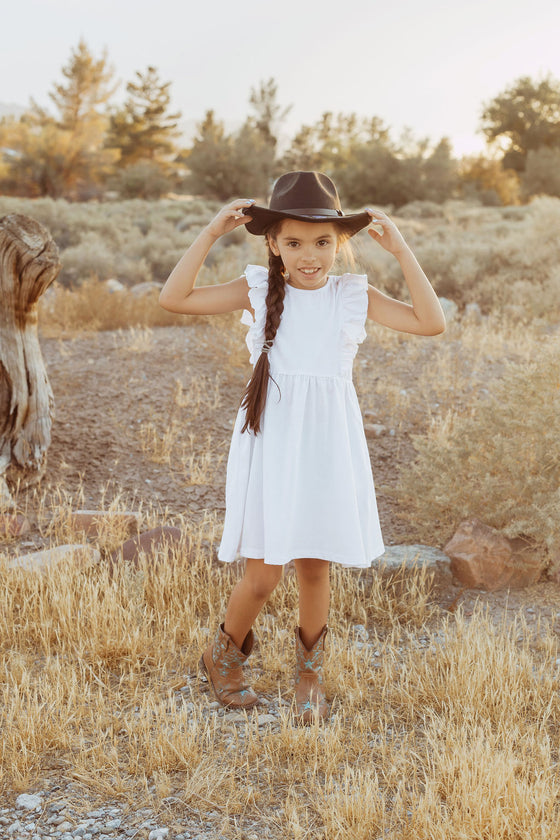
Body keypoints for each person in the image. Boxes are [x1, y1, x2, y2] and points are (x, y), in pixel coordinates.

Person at [159, 171, 445, 723]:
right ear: (272, 244)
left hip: (328, 442)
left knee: (316, 565)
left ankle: (308, 674)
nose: (309, 256)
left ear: (340, 244)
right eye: (293, 242)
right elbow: (174, 298)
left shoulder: (351, 295)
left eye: (322, 242)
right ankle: (221, 655)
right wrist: (210, 233)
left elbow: (430, 322)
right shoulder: (255, 289)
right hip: (272, 439)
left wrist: (402, 249)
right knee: (263, 573)